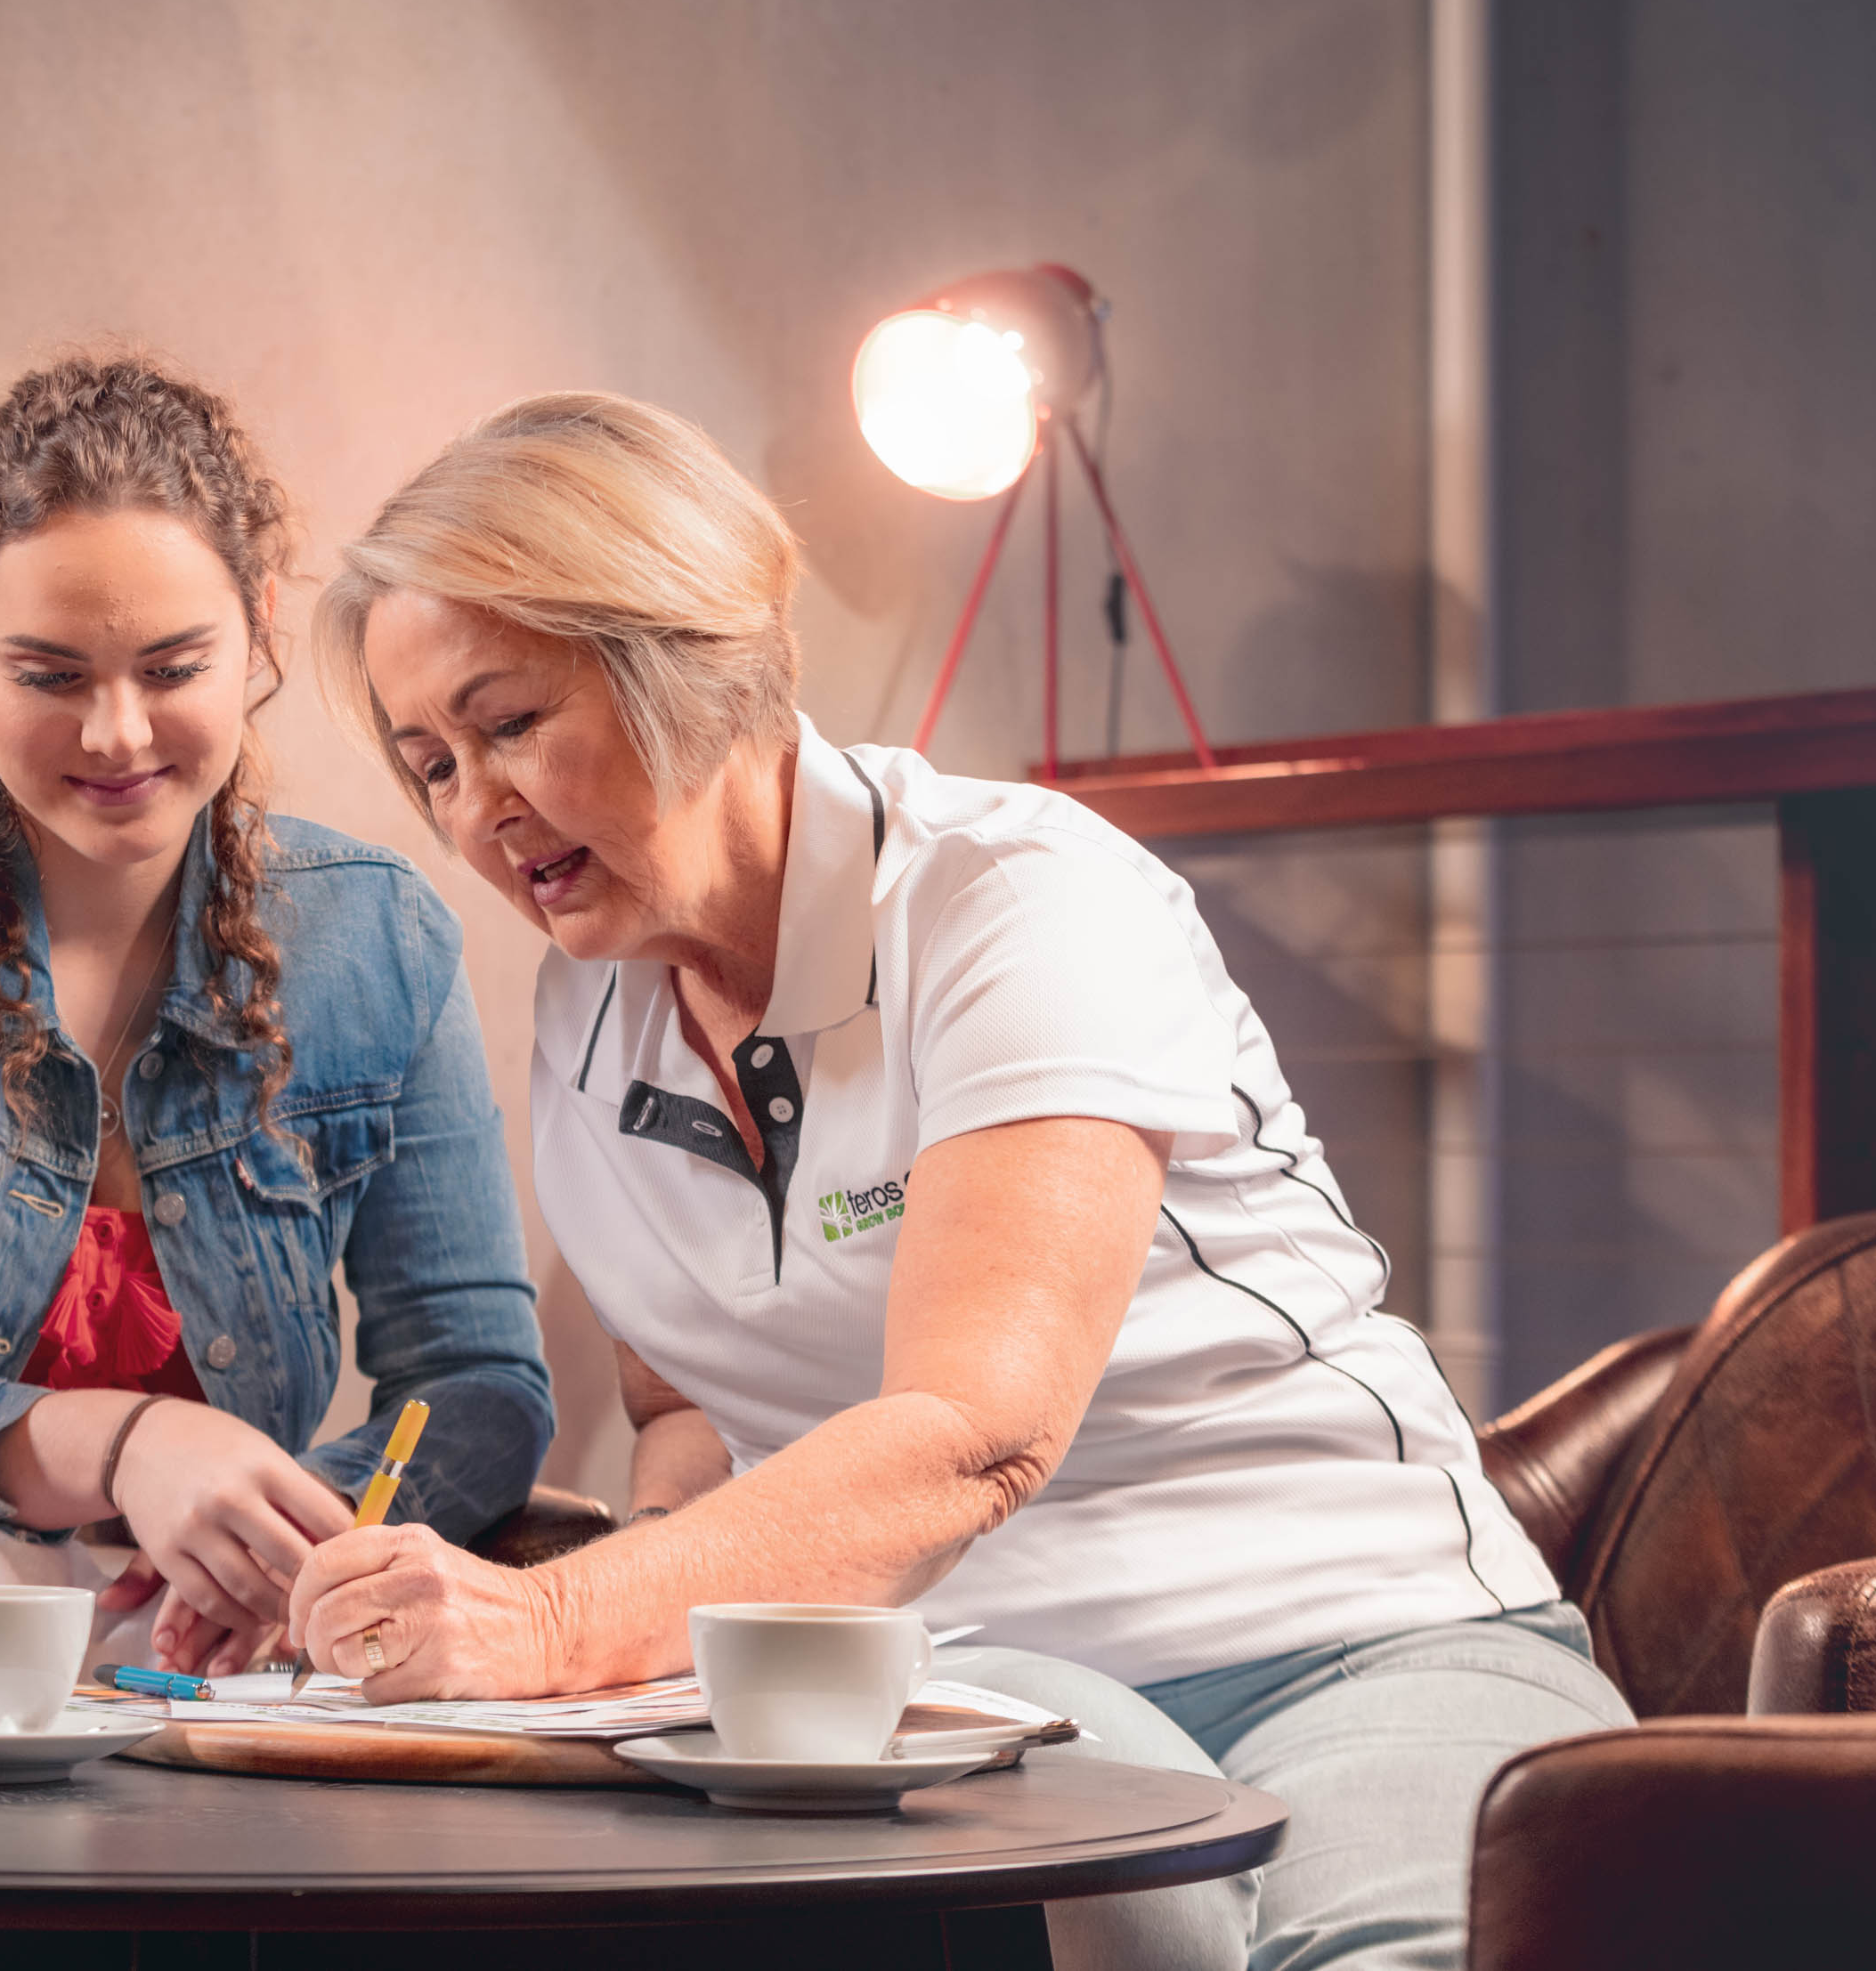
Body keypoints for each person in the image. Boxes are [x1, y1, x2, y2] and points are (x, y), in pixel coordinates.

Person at [290, 393, 1629, 1971]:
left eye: (508, 724)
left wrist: (558, 1624)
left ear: (689, 656)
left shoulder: (1016, 897)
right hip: (977, 1669)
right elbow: (692, 1400)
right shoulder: (591, 1011)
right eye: (427, 761)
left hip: (1342, 1634)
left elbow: (974, 1433)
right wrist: (651, 1578)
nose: (470, 811)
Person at [0, 356, 553, 1683]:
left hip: (208, 1618)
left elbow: (477, 1388)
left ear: (257, 629)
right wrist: (127, 1446)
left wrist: (289, 1553)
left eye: (174, 666)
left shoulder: (380, 935)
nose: (118, 733)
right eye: (50, 673)